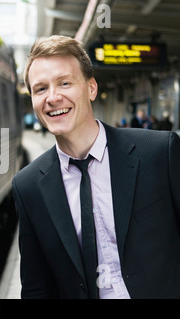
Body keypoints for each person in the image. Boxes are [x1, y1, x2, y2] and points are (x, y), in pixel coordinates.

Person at [12, 35, 180, 299]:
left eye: (64, 83)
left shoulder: (158, 152)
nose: (53, 97)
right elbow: (36, 286)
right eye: (40, 89)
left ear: (91, 88)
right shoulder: (28, 185)